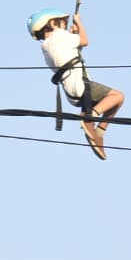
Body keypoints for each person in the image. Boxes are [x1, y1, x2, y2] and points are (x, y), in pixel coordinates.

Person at [27, 9, 125, 160]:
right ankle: (90, 118)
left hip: (72, 95)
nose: (65, 25)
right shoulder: (60, 35)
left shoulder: (46, 47)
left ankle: (98, 133)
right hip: (82, 87)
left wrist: (73, 34)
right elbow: (85, 41)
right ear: (51, 24)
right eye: (62, 23)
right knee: (118, 97)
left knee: (110, 102)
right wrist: (79, 24)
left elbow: (72, 51)